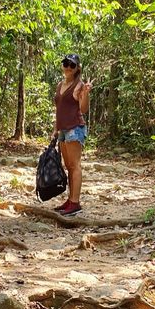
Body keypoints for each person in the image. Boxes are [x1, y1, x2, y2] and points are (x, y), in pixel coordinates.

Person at [52, 54, 92, 216]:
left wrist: (86, 93)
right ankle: (70, 200)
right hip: (63, 129)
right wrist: (55, 129)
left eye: (72, 65)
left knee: (75, 165)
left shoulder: (79, 85)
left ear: (77, 68)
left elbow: (83, 109)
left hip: (75, 128)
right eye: (66, 63)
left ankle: (75, 203)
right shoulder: (60, 84)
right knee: (68, 166)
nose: (68, 67)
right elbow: (59, 109)